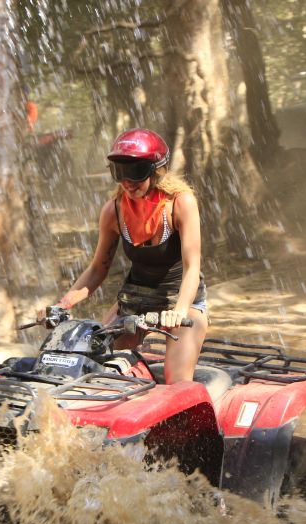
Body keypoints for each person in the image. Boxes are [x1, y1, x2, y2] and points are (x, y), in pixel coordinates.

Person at [50, 128, 208, 384]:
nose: (127, 182)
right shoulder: (113, 211)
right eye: (119, 172)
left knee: (176, 382)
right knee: (92, 362)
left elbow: (192, 267)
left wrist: (178, 311)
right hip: (134, 301)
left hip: (180, 301)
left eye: (134, 172)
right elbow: (97, 269)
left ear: (156, 169)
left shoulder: (180, 203)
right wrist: (63, 304)